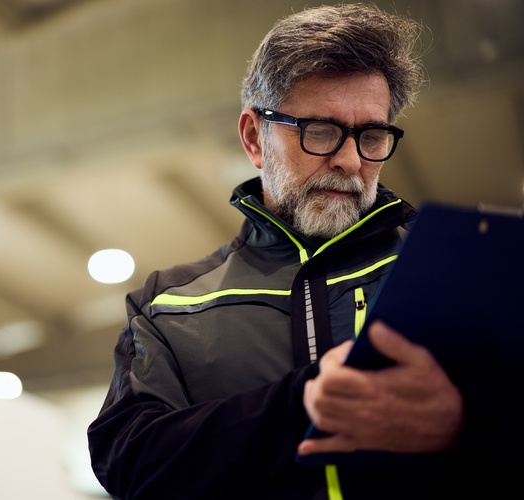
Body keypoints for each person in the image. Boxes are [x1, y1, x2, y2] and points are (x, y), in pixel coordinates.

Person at [87, 4, 518, 499]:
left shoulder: (454, 271)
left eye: (371, 135)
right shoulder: (168, 306)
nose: (351, 160)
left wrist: (465, 425)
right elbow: (130, 461)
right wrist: (301, 405)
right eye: (320, 131)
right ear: (254, 138)